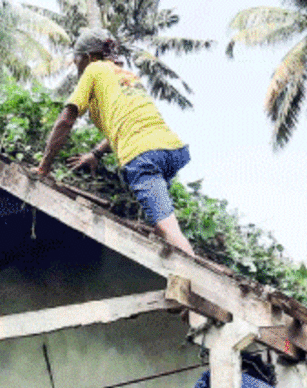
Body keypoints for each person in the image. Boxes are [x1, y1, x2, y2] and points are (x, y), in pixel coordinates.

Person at [35, 28, 196, 257]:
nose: (76, 65)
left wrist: (44, 166)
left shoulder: (94, 69)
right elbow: (124, 123)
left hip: (143, 156)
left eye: (77, 59)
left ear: (90, 57)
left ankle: (193, 279)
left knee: (167, 228)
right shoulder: (127, 77)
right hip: (169, 150)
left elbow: (66, 119)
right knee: (160, 224)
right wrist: (96, 154)